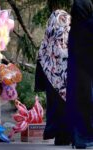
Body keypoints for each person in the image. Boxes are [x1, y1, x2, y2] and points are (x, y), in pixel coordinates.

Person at [35, 0, 71, 145]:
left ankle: (58, 136)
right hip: (66, 79)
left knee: (55, 109)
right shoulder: (66, 33)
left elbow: (41, 58)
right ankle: (67, 135)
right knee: (66, 108)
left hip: (51, 80)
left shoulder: (47, 37)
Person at [66, 0, 93, 148]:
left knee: (77, 105)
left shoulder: (73, 29)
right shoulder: (90, 25)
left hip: (75, 75)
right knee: (88, 104)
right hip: (88, 74)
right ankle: (86, 137)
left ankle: (78, 139)